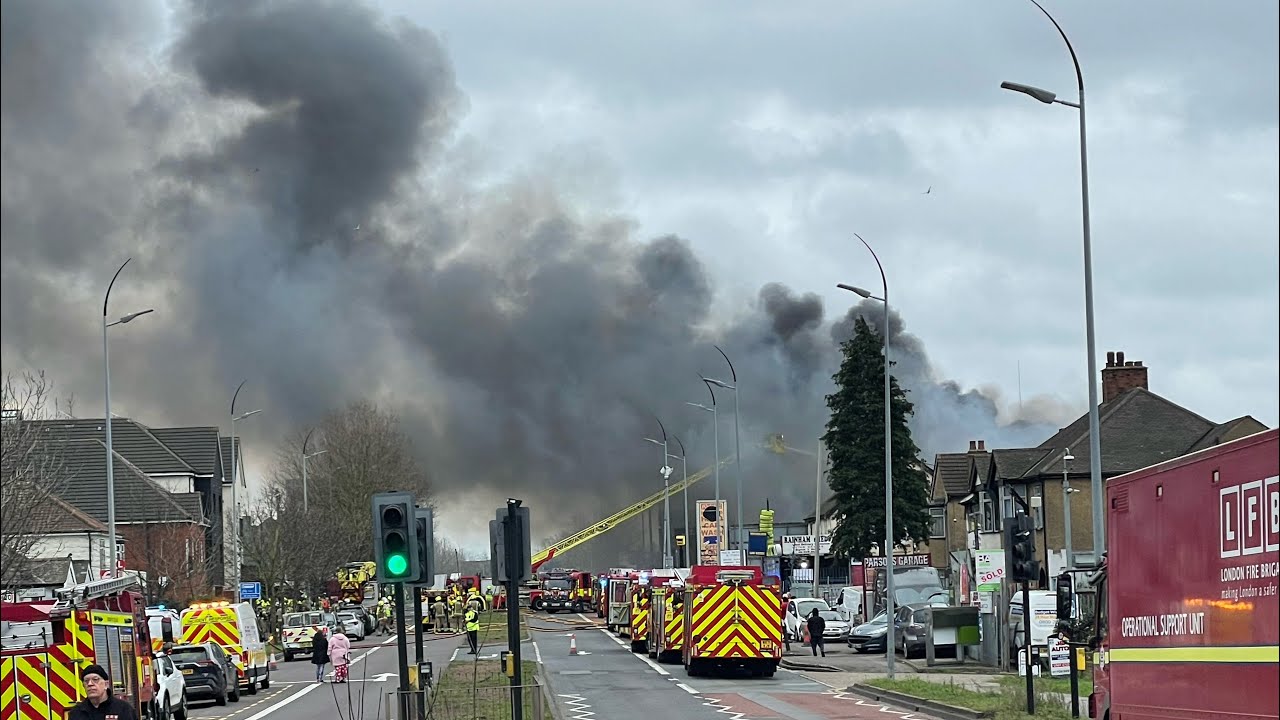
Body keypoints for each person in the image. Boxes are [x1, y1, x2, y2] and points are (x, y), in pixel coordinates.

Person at [68, 664, 138, 720]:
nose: (90, 684)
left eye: (95, 679)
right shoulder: (76, 712)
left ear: (106, 684)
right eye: (86, 681)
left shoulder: (124, 709)